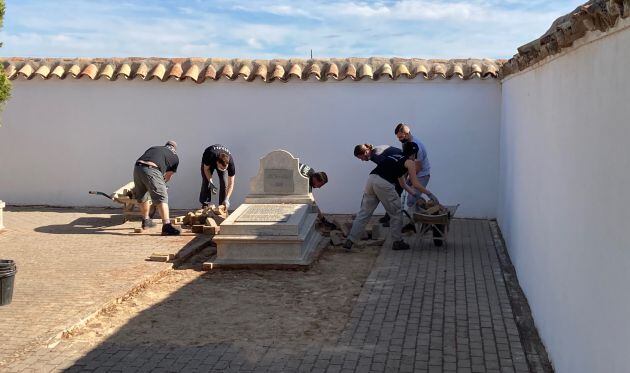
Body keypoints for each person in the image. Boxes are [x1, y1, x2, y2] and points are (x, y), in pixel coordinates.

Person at [344, 142, 439, 252]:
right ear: (414, 153)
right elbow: (416, 183)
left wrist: (413, 194)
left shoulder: (394, 157)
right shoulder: (410, 162)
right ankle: (397, 242)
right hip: (384, 183)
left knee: (364, 213)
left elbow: (402, 183)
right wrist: (430, 194)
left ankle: (350, 240)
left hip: (371, 179)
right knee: (396, 212)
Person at [132, 141, 181, 236]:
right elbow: (167, 176)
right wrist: (162, 185)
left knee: (143, 196)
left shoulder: (154, 148)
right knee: (162, 197)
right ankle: (167, 226)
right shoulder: (175, 156)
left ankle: (146, 221)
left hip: (137, 167)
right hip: (152, 169)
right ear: (174, 149)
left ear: (166, 145)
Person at [354, 144, 404, 226]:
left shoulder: (376, 155)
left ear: (366, 152)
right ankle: (389, 217)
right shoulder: (374, 152)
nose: (362, 160)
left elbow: (389, 166)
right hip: (398, 167)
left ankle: (393, 220)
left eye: (361, 157)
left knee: (394, 195)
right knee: (391, 194)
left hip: (401, 168)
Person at [200, 144, 236, 209]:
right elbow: (206, 169)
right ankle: (205, 204)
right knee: (206, 182)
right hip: (208, 162)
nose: (223, 170)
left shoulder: (231, 163)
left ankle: (222, 205)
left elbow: (231, 183)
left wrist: (227, 198)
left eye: (225, 169)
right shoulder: (209, 155)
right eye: (221, 168)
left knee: (224, 183)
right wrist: (211, 183)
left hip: (219, 160)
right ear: (217, 162)